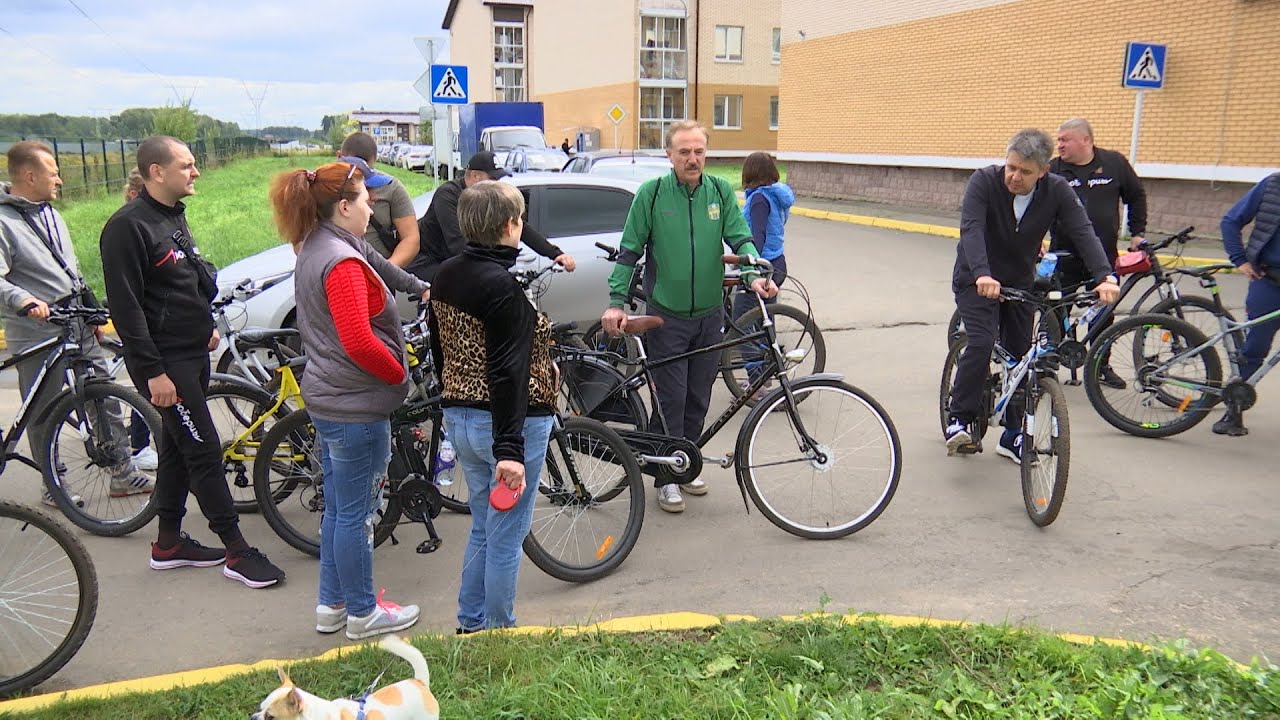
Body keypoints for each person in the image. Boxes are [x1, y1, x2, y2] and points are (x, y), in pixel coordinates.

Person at [101, 135, 284, 588]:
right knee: (203, 449)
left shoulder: (172, 217)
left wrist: (205, 325)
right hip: (165, 364)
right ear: (156, 172)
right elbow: (125, 309)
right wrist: (153, 372)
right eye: (186, 164)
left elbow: (181, 284)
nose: (196, 171)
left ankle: (168, 544)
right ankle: (237, 550)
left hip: (193, 354)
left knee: (177, 450)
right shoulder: (128, 227)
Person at [271, 160, 428, 639]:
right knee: (356, 516)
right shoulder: (339, 263)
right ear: (344, 206)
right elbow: (359, 341)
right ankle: (363, 613)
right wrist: (398, 373)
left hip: (332, 401)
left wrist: (424, 287)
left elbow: (384, 269)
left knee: (339, 510)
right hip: (355, 407)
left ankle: (331, 606)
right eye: (365, 199)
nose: (373, 205)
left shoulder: (329, 243)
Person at [600, 120, 778, 514]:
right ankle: (665, 478)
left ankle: (686, 461)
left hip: (710, 314)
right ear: (670, 155)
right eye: (684, 152)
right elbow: (629, 251)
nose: (692, 158)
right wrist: (616, 299)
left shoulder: (718, 192)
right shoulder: (652, 194)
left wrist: (755, 275)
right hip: (667, 315)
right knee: (671, 399)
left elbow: (740, 237)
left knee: (699, 396)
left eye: (698, 151)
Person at [944, 129, 1121, 462]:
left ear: (1043, 171)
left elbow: (1082, 231)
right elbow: (972, 229)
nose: (1014, 176)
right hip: (976, 278)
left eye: (1025, 172)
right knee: (981, 342)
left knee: (1022, 357)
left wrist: (1104, 276)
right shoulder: (983, 182)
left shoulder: (1057, 191)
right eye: (1011, 167)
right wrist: (982, 273)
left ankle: (1012, 435)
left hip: (1020, 282)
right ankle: (960, 418)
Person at [428, 180, 558, 632]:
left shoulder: (446, 273)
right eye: (520, 218)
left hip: (462, 417)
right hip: (504, 425)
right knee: (505, 537)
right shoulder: (499, 285)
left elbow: (440, 348)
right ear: (510, 225)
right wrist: (510, 449)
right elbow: (508, 371)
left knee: (485, 527)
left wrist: (451, 403)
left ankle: (471, 622)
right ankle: (501, 633)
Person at [0, 141, 153, 507]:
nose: (60, 180)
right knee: (45, 410)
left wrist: (92, 311)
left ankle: (121, 470)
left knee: (103, 394)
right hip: (36, 329)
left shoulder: (52, 214)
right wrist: (24, 301)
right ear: (29, 175)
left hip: (75, 323)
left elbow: (73, 271)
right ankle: (54, 484)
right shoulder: (4, 222)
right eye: (53, 173)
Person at [1049, 118, 1148, 388]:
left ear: (1086, 140)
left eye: (1065, 139)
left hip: (1103, 255)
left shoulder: (1114, 163)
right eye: (1058, 140)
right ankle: (1047, 365)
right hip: (1063, 255)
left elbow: (1136, 195)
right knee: (1056, 309)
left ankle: (1100, 366)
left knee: (1104, 312)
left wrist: (1137, 232)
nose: (1059, 145)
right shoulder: (1053, 169)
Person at [412, 151, 576, 283]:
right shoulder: (448, 195)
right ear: (475, 176)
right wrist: (488, 271)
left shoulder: (489, 195)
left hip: (456, 262)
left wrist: (555, 254)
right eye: (492, 178)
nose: (497, 183)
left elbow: (519, 225)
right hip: (429, 261)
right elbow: (457, 242)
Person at [1214, 171, 1280, 436]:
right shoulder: (1273, 185)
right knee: (1255, 348)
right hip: (1269, 282)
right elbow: (1231, 220)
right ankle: (1235, 409)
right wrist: (1239, 259)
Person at [337, 132, 421, 268]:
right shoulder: (325, 187)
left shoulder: (390, 186)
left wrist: (385, 272)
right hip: (339, 271)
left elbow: (411, 239)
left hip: (380, 274)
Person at [121, 167, 158, 471]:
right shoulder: (127, 227)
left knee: (147, 389)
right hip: (147, 326)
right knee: (147, 386)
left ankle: (141, 443)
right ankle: (138, 445)